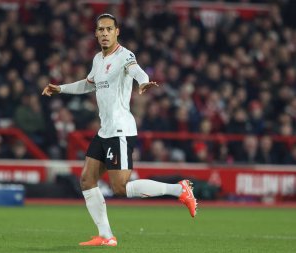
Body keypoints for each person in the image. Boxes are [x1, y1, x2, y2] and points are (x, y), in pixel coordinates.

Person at [42, 13, 197, 247]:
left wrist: (143, 81)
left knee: (120, 188)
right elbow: (88, 84)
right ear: (95, 33)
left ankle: (179, 189)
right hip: (105, 131)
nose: (104, 33)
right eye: (100, 30)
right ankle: (106, 236)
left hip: (121, 130)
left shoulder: (125, 55)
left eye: (109, 29)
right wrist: (61, 89)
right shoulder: (97, 59)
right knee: (86, 180)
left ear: (117, 32)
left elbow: (137, 70)